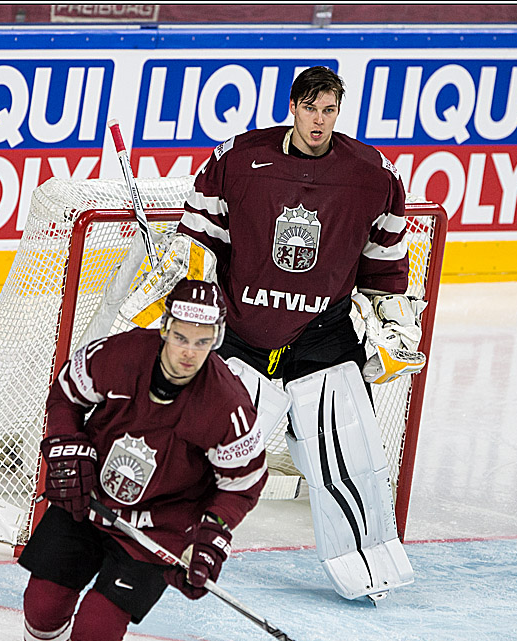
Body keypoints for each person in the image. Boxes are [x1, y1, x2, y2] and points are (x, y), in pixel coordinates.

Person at [172, 65, 423, 601]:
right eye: (310, 108)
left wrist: (393, 324)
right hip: (243, 336)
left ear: (339, 111)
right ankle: (169, 546)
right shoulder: (237, 159)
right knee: (209, 451)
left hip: (323, 338)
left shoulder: (372, 174)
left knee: (348, 461)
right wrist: (190, 304)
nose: (319, 121)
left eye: (329, 110)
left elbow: (385, 266)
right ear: (293, 107)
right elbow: (199, 246)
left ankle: (371, 572)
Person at [18, 279, 266, 641]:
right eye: (182, 337)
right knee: (44, 603)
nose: (189, 353)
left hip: (159, 526)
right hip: (90, 500)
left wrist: (209, 537)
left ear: (217, 339)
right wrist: (66, 445)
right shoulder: (121, 354)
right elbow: (66, 395)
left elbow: (242, 485)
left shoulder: (228, 405)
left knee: (96, 631)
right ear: (165, 326)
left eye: (202, 342)